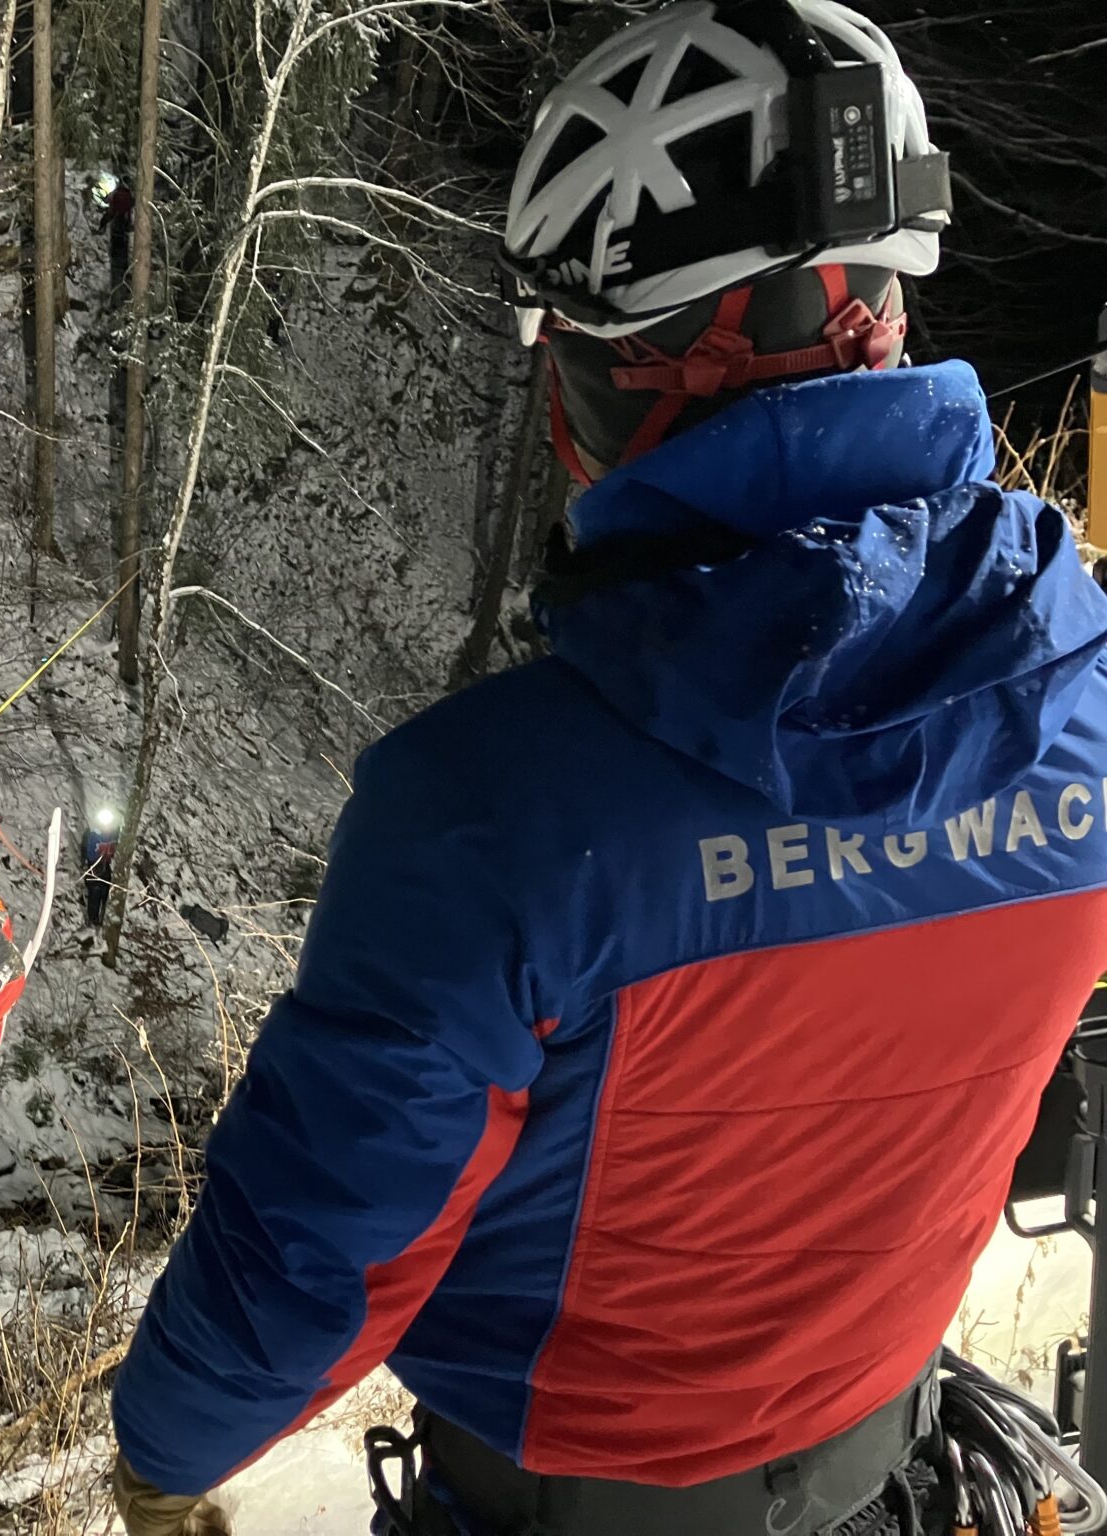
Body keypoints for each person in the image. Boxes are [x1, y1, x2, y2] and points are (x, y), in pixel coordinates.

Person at [110, 3, 1107, 1534]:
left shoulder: (496, 816)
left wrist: (163, 1460)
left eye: (565, 360)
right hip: (881, 1479)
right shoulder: (1083, 696)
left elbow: (323, 1251)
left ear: (645, 374)